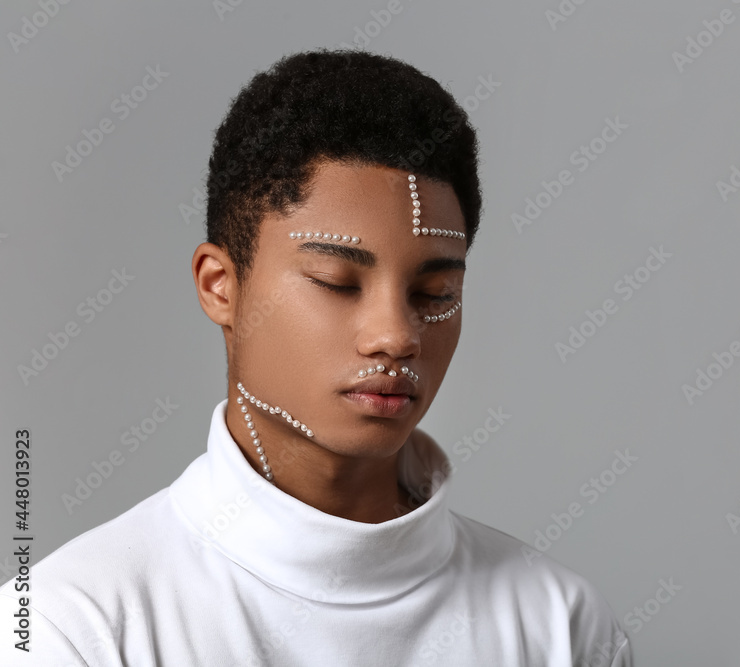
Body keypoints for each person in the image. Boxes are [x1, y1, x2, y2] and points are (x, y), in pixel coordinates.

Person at [0, 48, 632, 666]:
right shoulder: (71, 631)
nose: (397, 335)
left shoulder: (563, 629)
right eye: (336, 281)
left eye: (434, 293)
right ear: (221, 286)